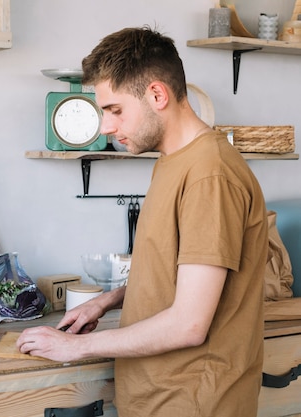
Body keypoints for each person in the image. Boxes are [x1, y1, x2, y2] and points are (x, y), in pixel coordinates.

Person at [16, 26, 268, 417]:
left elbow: (188, 324)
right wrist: (109, 299)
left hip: (195, 402)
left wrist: (74, 347)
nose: (105, 127)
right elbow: (173, 271)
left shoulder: (210, 176)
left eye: (114, 110)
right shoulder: (174, 160)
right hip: (157, 397)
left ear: (156, 95)